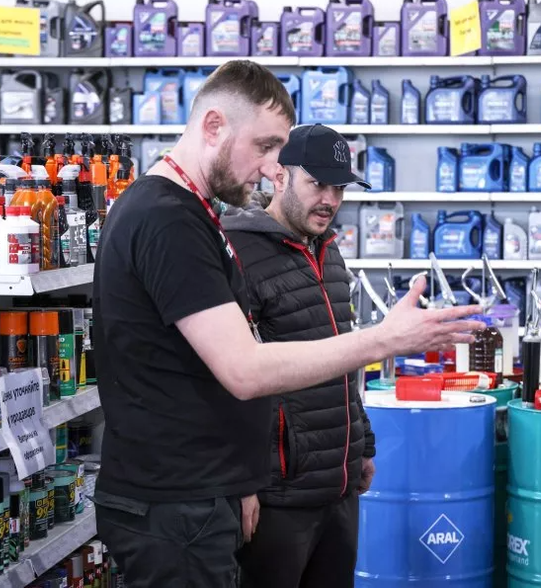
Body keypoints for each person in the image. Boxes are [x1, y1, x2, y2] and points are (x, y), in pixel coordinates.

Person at [92, 61, 483, 588]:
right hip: (177, 505)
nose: (269, 166)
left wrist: (348, 446)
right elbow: (246, 370)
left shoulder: (191, 215)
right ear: (213, 126)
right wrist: (385, 339)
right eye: (265, 146)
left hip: (203, 496)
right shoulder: (167, 218)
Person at [222, 124, 376, 588]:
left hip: (339, 488)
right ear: (279, 176)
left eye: (339, 188)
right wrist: (240, 482)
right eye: (317, 184)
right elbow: (225, 382)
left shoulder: (329, 252)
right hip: (277, 496)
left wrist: (362, 446)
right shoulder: (238, 252)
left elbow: (343, 359)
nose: (330, 199)